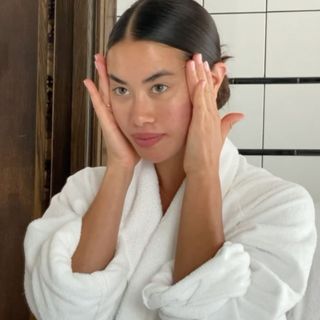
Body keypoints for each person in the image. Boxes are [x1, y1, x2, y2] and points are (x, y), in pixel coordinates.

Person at [23, 0, 317, 319]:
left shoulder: (279, 208)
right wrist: (120, 170)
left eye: (159, 87)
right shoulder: (84, 190)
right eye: (121, 90)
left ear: (213, 79)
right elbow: (60, 311)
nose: (139, 116)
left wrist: (202, 172)